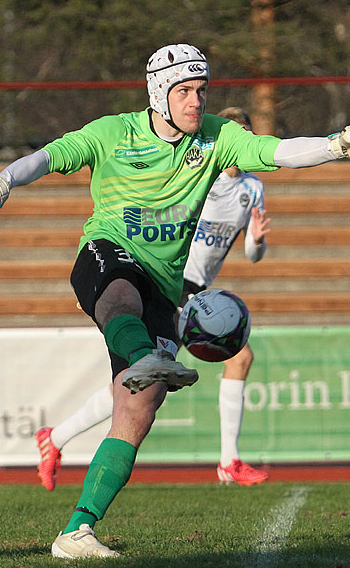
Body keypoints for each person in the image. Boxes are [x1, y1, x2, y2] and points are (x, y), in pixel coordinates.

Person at [0, 43, 350, 558]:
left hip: (166, 287)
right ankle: (142, 357)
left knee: (138, 408)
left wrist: (335, 146)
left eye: (201, 90)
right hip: (106, 253)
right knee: (120, 295)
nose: (197, 101)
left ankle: (77, 532)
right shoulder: (112, 132)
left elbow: (275, 150)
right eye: (185, 91)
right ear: (158, 93)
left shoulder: (219, 136)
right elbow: (47, 157)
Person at [35, 106, 272, 492]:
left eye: (247, 132)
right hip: (170, 281)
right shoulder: (201, 169)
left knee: (139, 378)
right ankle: (229, 461)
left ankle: (55, 438)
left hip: (198, 288)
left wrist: (257, 240)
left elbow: (252, 255)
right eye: (236, 132)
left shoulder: (252, 189)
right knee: (233, 356)